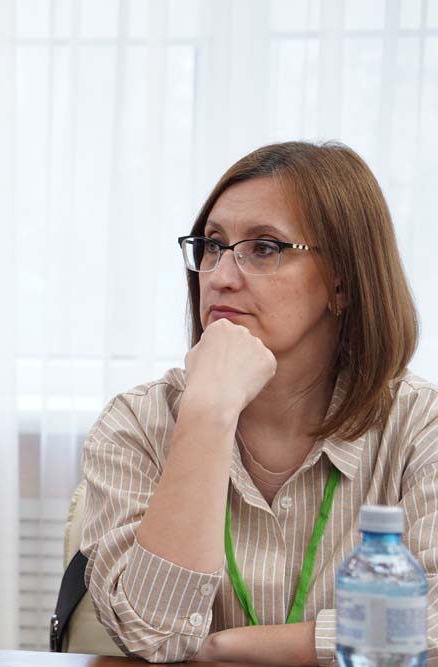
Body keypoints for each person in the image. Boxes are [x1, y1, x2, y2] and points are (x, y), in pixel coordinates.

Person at [80, 141, 438, 665]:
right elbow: (152, 635)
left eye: (264, 248)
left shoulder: (421, 425)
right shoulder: (136, 422)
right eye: (212, 246)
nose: (220, 276)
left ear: (342, 284)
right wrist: (208, 415)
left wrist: (230, 647)